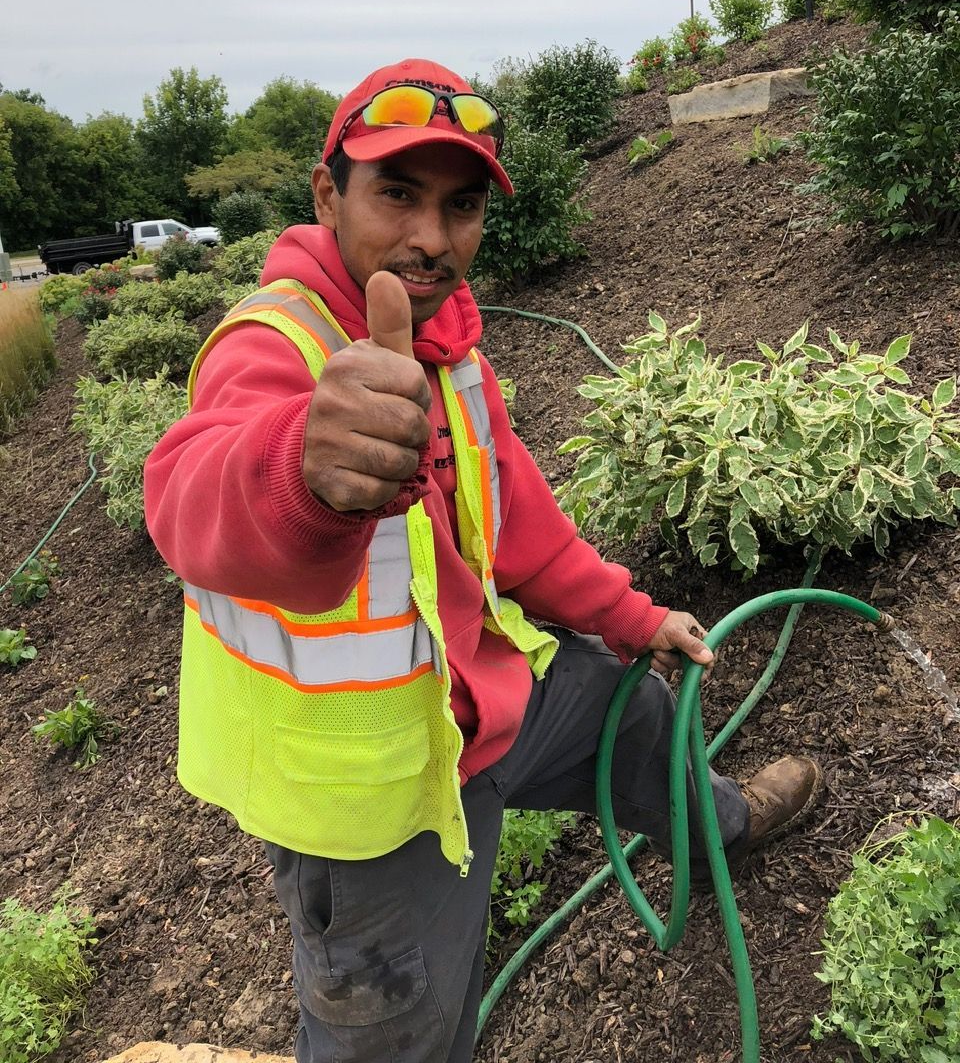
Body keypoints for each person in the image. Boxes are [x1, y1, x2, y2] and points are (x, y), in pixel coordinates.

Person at [144, 58, 823, 1063]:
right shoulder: (277, 343)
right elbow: (185, 494)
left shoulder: (450, 343)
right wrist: (304, 466)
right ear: (326, 192)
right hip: (375, 805)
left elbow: (520, 529)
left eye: (461, 206)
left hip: (484, 709)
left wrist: (635, 617)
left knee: (631, 708)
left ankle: (720, 830)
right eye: (397, 194)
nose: (431, 237)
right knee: (403, 1037)